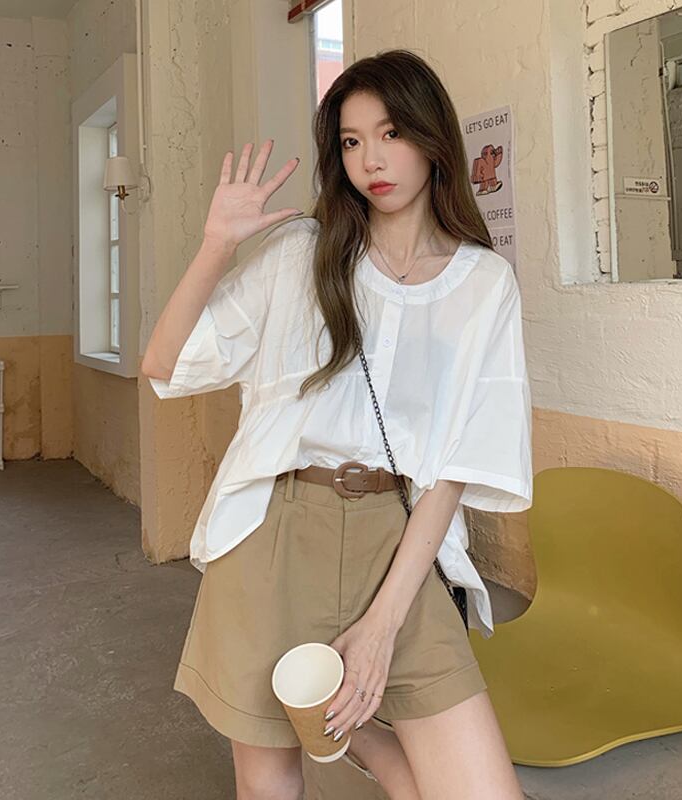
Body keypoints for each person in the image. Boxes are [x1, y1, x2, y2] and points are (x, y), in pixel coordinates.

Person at [142, 48, 532, 800]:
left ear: (432, 138)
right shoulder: (301, 255)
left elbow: (458, 463)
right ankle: (346, 730)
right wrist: (217, 245)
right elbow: (165, 362)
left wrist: (383, 627)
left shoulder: (485, 284)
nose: (370, 160)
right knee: (271, 788)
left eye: (390, 133)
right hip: (275, 535)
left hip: (399, 539)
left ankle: (363, 737)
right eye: (351, 141)